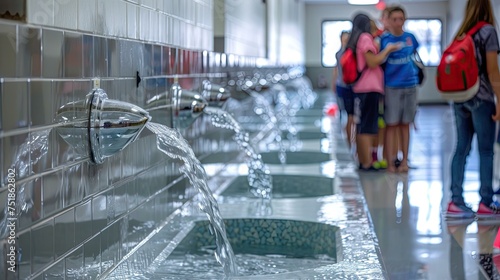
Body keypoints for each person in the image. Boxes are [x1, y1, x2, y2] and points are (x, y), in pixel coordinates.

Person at [445, 0, 500, 219]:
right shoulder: (488, 32)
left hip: (460, 97)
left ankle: (456, 201)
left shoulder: (462, 32)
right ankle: (485, 202)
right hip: (482, 97)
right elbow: (493, 71)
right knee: (485, 150)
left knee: (461, 148)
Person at [347, 13, 399, 171]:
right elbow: (372, 62)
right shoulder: (365, 38)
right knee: (366, 127)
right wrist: (388, 50)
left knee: (363, 125)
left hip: (362, 88)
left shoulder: (357, 38)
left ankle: (365, 160)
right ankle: (367, 161)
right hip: (369, 88)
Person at [379, 5, 420, 173]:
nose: (398, 23)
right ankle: (390, 162)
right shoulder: (385, 40)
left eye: (400, 19)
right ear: (389, 20)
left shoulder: (411, 38)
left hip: (410, 85)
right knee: (392, 125)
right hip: (392, 87)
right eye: (394, 19)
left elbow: (415, 54)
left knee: (405, 125)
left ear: (405, 20)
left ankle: (404, 161)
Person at [332, 30, 355, 148]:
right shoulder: (341, 53)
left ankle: (351, 141)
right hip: (343, 86)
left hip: (349, 86)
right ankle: (348, 142)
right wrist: (334, 84)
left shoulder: (349, 52)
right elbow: (336, 70)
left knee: (351, 115)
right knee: (346, 114)